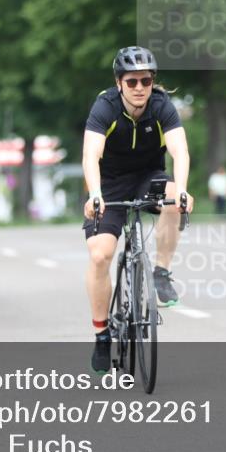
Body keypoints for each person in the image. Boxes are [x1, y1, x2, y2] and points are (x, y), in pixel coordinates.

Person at [82, 46, 194, 373]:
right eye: (131, 81)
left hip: (149, 177)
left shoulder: (161, 106)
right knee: (100, 255)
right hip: (110, 183)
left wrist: (183, 188)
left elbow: (180, 151)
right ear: (119, 83)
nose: (139, 87)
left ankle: (161, 273)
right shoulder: (105, 107)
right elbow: (91, 155)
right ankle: (102, 335)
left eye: (146, 80)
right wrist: (95, 194)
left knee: (174, 199)